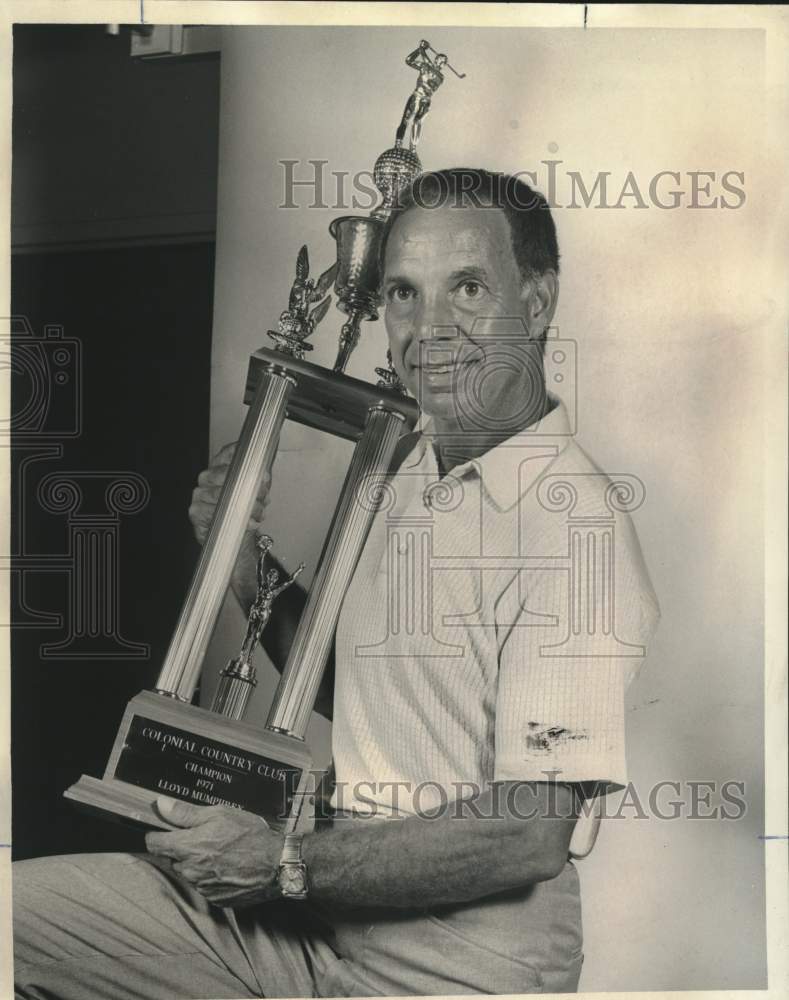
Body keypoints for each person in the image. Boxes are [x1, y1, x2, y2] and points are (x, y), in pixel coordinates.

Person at [13, 168, 660, 998]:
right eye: (401, 292)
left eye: (466, 287)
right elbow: (351, 689)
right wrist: (243, 564)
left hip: (459, 968)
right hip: (316, 923)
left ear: (535, 303)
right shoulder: (410, 474)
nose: (427, 327)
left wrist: (281, 861)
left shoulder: (573, 526)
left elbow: (529, 832)